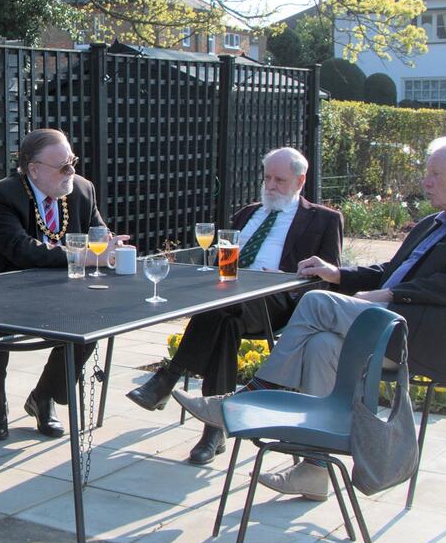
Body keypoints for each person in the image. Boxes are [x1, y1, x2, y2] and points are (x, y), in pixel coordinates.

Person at [174, 136, 446, 501]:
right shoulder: (433, 223)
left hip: (422, 338)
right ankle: (314, 469)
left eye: (434, 174)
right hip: (384, 327)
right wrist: (337, 273)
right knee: (322, 345)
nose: (426, 181)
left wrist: (390, 295)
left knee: (318, 302)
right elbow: (391, 270)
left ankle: (250, 396)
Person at [126, 147, 342, 465]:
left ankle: (168, 378)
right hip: (231, 297)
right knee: (226, 317)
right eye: (267, 177)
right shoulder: (246, 214)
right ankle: (215, 430)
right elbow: (222, 260)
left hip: (279, 301)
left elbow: (329, 278)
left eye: (279, 180)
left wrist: (285, 278)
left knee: (223, 306)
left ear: (300, 180)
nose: (270, 185)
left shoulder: (323, 219)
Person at [0, 128, 126, 441]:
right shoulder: (2, 195)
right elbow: (21, 249)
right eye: (63, 167)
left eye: (73, 163)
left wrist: (112, 247)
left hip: (60, 295)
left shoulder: (82, 190)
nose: (72, 172)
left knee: (93, 320)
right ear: (33, 169)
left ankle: (44, 397)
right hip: (0, 295)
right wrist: (87, 257)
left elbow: (100, 239)